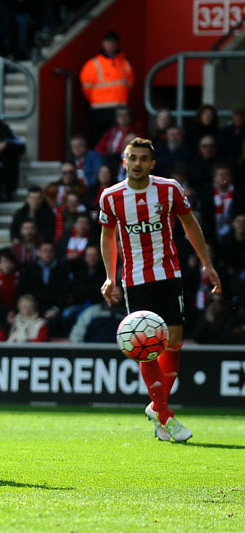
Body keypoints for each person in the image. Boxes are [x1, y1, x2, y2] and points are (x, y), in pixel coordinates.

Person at [98, 138, 222, 443]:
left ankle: (158, 408)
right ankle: (166, 415)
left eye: (143, 158)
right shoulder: (111, 197)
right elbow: (108, 237)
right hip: (136, 279)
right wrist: (109, 277)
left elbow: (190, 225)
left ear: (152, 164)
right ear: (124, 161)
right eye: (132, 158)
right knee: (146, 346)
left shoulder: (169, 189)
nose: (137, 163)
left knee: (174, 341)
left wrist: (207, 264)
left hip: (169, 274)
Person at [79, 31, 134, 144]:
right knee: (100, 139)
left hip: (120, 108)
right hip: (100, 110)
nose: (111, 44)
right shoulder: (93, 64)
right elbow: (86, 88)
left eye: (114, 42)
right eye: (108, 41)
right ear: (103, 43)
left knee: (118, 139)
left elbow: (129, 85)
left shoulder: (125, 64)